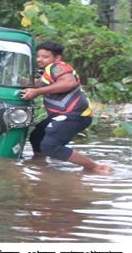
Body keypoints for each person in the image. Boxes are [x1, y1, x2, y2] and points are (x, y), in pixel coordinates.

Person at [21, 41, 112, 174]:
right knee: (37, 137)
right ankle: (40, 166)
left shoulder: (57, 67)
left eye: (45, 56)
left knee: (50, 146)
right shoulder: (48, 71)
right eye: (38, 56)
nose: (40, 59)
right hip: (62, 114)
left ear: (57, 58)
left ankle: (96, 168)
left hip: (75, 115)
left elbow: (69, 83)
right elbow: (39, 84)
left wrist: (36, 92)